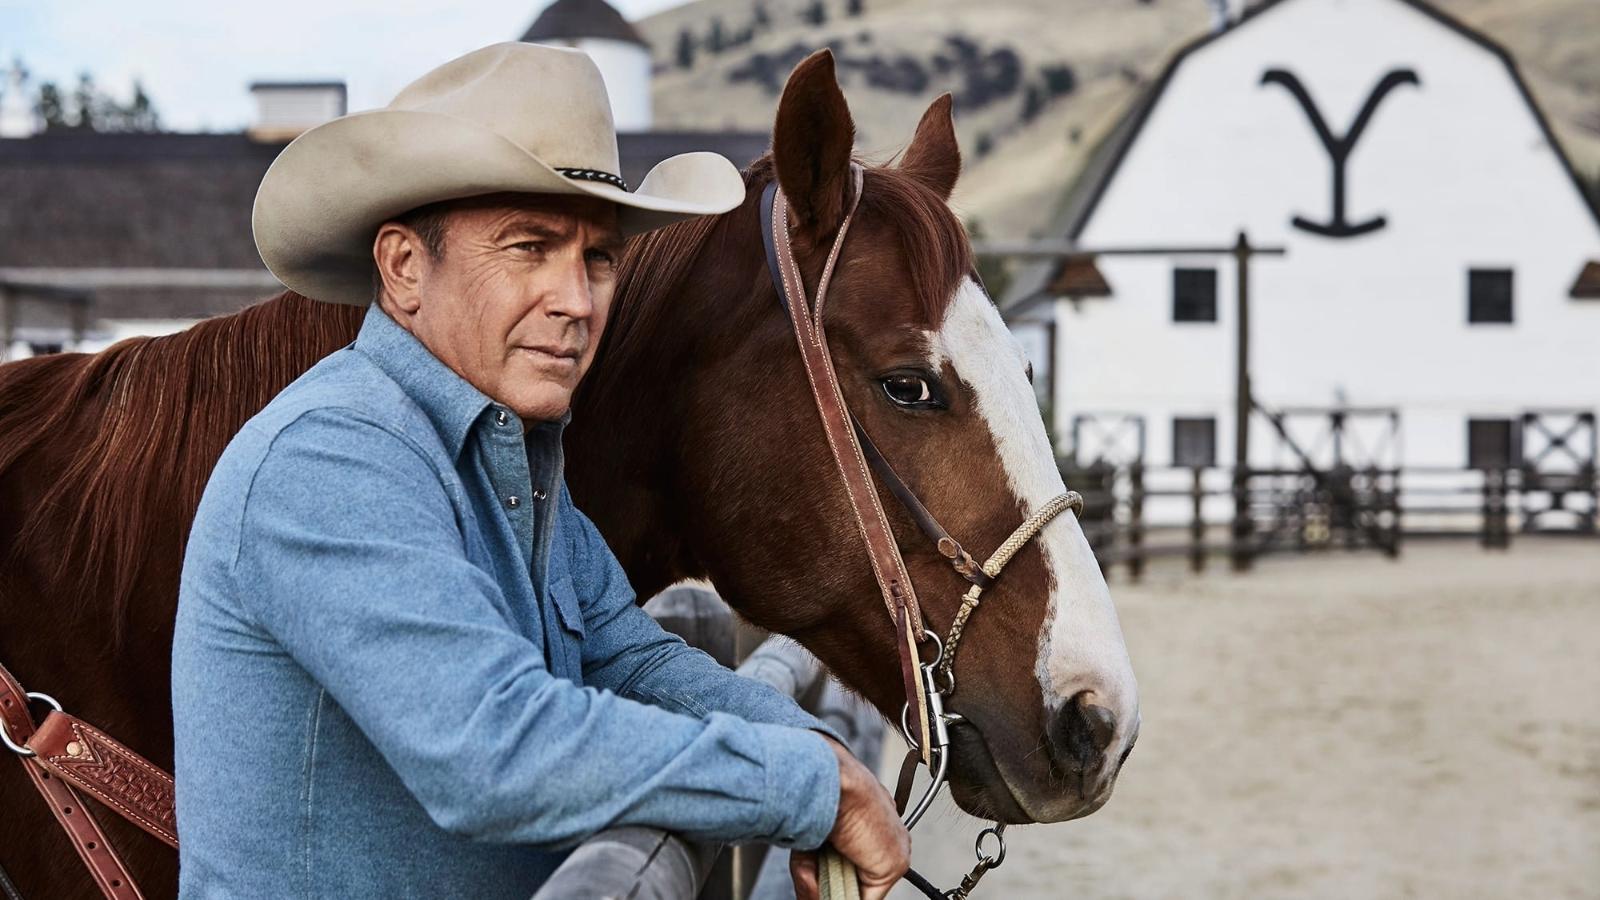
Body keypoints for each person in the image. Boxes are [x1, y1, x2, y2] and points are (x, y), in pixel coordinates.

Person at [170, 42, 908, 899]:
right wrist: (807, 788)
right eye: (529, 247)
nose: (578, 301)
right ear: (405, 268)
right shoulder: (330, 457)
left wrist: (819, 758)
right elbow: (490, 750)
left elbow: (640, 666)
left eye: (597, 258)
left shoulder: (514, 466)